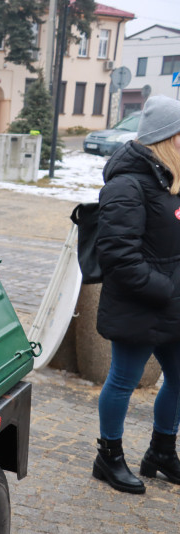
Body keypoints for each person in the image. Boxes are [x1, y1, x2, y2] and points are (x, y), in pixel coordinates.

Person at [93, 95, 180, 494]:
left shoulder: (171, 180)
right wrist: (164, 289)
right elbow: (118, 256)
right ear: (167, 139)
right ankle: (108, 458)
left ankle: (161, 452)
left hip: (172, 305)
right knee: (123, 381)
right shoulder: (127, 185)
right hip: (141, 304)